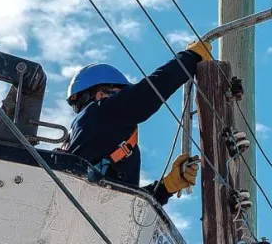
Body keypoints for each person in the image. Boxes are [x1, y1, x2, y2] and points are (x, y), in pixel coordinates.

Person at [61, 40, 213, 206]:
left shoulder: (107, 141)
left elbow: (126, 207)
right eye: (121, 93)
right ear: (100, 96)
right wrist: (190, 58)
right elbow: (147, 94)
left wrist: (166, 187)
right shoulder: (98, 113)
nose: (125, 98)